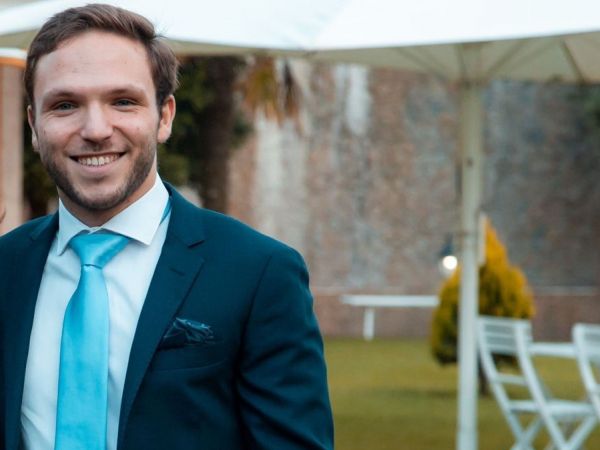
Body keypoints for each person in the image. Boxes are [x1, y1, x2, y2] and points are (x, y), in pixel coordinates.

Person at [0, 4, 333, 450]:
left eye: (123, 101)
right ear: (34, 126)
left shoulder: (258, 273)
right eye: (65, 105)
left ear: (164, 116)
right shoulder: (6, 267)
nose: (96, 129)